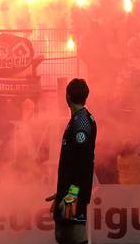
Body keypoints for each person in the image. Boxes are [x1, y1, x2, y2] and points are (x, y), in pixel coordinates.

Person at [53, 78, 96, 244]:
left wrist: (72, 194)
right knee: (63, 236)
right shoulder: (76, 119)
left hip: (73, 195)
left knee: (75, 237)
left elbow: (83, 164)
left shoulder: (82, 123)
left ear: (68, 96)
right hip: (68, 192)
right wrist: (62, 190)